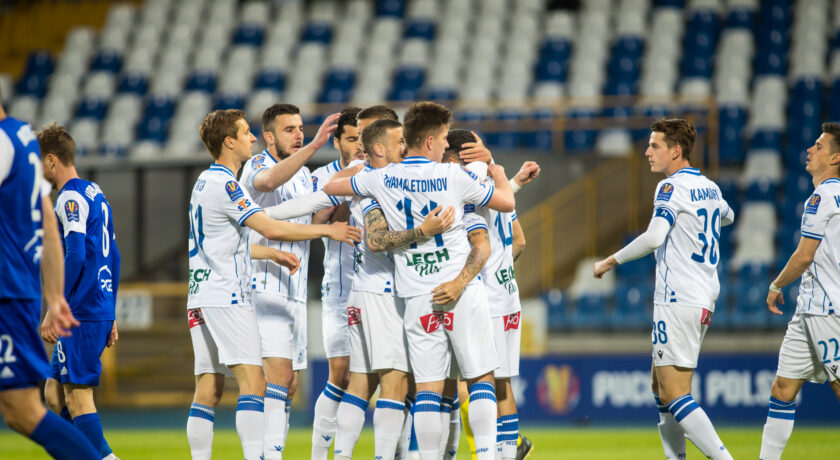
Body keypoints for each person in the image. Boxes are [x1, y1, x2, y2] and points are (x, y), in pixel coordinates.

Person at [325, 101, 516, 460]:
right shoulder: (452, 176)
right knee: (479, 381)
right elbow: (504, 201)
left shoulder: (381, 178)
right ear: (429, 141)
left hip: (417, 297)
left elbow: (332, 185)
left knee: (427, 390)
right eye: (444, 138)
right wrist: (496, 169)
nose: (446, 146)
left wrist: (361, 168)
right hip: (461, 291)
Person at [185, 109, 360, 460]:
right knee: (258, 384)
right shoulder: (240, 176)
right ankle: (264, 456)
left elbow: (281, 214)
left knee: (212, 386)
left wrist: (352, 179)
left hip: (208, 291)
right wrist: (326, 230)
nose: (249, 137)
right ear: (231, 141)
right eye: (245, 132)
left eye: (300, 129)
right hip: (242, 291)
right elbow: (270, 222)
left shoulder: (206, 180)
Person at [592, 119, 735, 460]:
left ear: (676, 151)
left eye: (654, 146)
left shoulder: (670, 188)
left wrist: (611, 260)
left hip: (678, 298)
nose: (647, 152)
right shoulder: (711, 188)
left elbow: (655, 237)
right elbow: (726, 216)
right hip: (700, 296)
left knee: (675, 393)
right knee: (660, 386)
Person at [0, 91, 101, 459]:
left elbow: (69, 244)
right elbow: (47, 221)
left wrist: (58, 298)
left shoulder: (4, 144)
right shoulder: (23, 139)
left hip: (8, 290)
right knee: (38, 401)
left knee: (27, 409)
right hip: (21, 288)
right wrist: (55, 297)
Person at [239, 104, 341, 458]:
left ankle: (270, 452)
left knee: (290, 383)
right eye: (289, 130)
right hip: (262, 284)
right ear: (268, 137)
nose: (298, 134)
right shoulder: (257, 166)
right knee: (277, 377)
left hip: (293, 290)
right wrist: (314, 145)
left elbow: (312, 215)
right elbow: (268, 184)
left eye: (300, 128)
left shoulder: (304, 175)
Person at [442, 129, 540, 460]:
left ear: (456, 157)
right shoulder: (496, 189)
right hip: (508, 296)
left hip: (487, 301)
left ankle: (485, 452)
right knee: (501, 386)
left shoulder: (466, 190)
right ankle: (505, 451)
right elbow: (520, 241)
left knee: (463, 385)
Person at [36, 124, 120, 460]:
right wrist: (111, 311)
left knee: (77, 397)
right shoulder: (94, 192)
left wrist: (55, 305)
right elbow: (113, 255)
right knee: (54, 394)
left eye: (39, 162)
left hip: (79, 311)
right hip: (95, 307)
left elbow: (74, 254)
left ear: (51, 160)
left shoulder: (69, 197)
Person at [758, 122, 840, 460]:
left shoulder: (824, 196)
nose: (810, 149)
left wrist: (776, 285)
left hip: (828, 310)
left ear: (836, 157)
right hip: (808, 310)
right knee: (782, 388)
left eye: (819, 146)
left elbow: (805, 254)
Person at [309, 106, 364, 459]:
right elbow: (315, 222)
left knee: (389, 379)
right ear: (337, 140)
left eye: (363, 137)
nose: (360, 145)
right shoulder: (323, 176)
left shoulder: (383, 170)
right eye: (352, 138)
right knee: (340, 374)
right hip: (339, 290)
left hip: (381, 288)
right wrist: (346, 185)